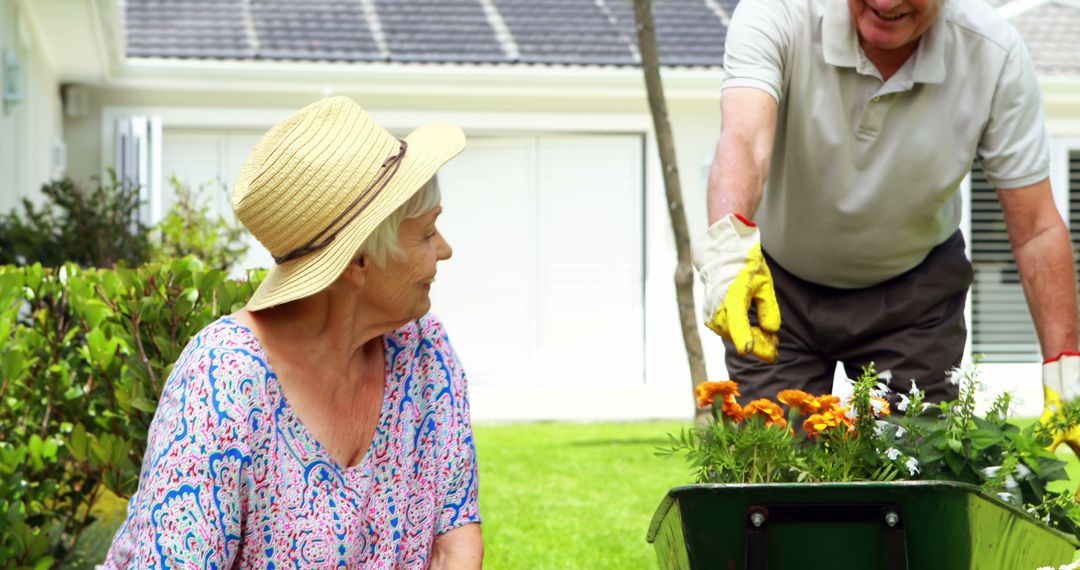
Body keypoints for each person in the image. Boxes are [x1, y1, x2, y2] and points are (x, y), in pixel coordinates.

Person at [102, 96, 483, 567]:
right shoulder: (222, 381)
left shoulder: (423, 348)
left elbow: (454, 537)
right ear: (359, 262)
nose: (444, 250)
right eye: (426, 233)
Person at [691, 0, 1080, 429]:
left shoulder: (993, 53)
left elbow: (1036, 229)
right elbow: (743, 140)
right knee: (772, 474)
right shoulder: (779, 11)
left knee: (913, 476)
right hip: (776, 287)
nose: (885, 2)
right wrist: (726, 251)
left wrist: (1067, 378)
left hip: (914, 301)